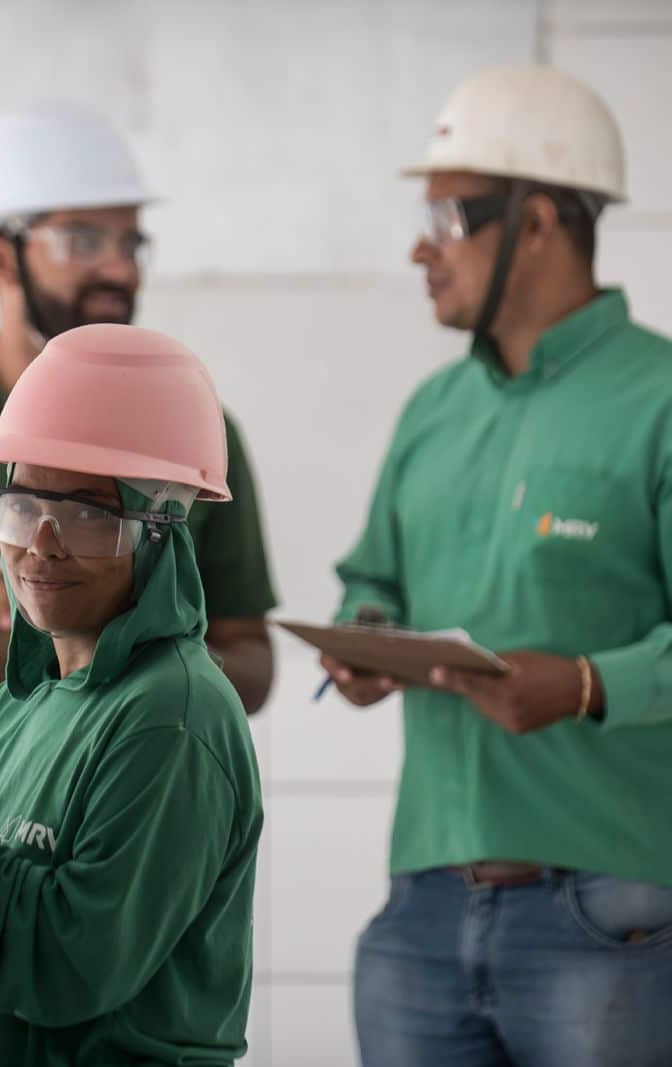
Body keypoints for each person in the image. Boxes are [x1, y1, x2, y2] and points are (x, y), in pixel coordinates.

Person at [324, 64, 672, 1066]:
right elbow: (371, 578)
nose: (419, 246)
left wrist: (587, 683)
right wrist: (367, 639)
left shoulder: (657, 399)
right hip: (420, 909)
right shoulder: (431, 412)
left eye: (450, 213)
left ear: (538, 222)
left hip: (607, 910)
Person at [0, 322, 262, 1066]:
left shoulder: (173, 716)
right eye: (22, 508)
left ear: (163, 530)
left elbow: (71, 964)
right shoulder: (21, 699)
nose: (39, 545)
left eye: (84, 516)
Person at [0, 103, 276, 710]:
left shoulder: (193, 438)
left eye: (131, 242)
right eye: (82, 239)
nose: (120, 268)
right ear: (1, 259)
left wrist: (129, 655)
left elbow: (251, 659)